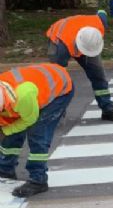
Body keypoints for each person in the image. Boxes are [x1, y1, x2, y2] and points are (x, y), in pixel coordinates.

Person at [0, 63, 74, 197]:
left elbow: (29, 120)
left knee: (38, 133)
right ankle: (5, 170)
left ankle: (38, 179)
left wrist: (6, 131)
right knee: (11, 133)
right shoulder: (3, 92)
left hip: (60, 89)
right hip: (38, 83)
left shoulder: (22, 96)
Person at [46, 10, 113, 122]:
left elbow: (102, 12)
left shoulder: (98, 27)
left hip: (85, 39)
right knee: (59, 80)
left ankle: (107, 110)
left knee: (99, 76)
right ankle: (56, 113)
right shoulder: (61, 46)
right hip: (59, 38)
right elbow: (59, 78)